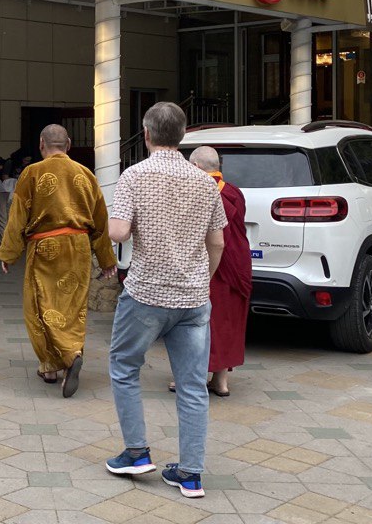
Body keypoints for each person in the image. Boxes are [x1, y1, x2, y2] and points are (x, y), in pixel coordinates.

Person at [106, 101, 226, 499]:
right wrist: (202, 280)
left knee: (125, 366)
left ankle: (136, 452)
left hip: (146, 292)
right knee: (192, 386)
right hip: (193, 298)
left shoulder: (134, 176)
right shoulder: (206, 182)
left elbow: (119, 233)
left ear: (146, 134)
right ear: (183, 135)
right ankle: (190, 474)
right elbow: (217, 243)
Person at [0, 125, 117, 398]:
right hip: (79, 246)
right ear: (68, 144)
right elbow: (100, 219)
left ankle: (55, 363)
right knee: (73, 306)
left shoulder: (32, 172)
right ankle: (71, 353)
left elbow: (18, 216)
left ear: (42, 143)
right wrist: (106, 258)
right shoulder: (85, 174)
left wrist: (8, 253)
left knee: (40, 305)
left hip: (44, 246)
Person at [165, 146, 252, 397]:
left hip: (209, 265)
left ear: (196, 167)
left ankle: (192, 377)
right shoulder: (234, 192)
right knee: (228, 321)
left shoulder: (197, 190)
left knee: (199, 323)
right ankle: (221, 381)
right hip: (237, 265)